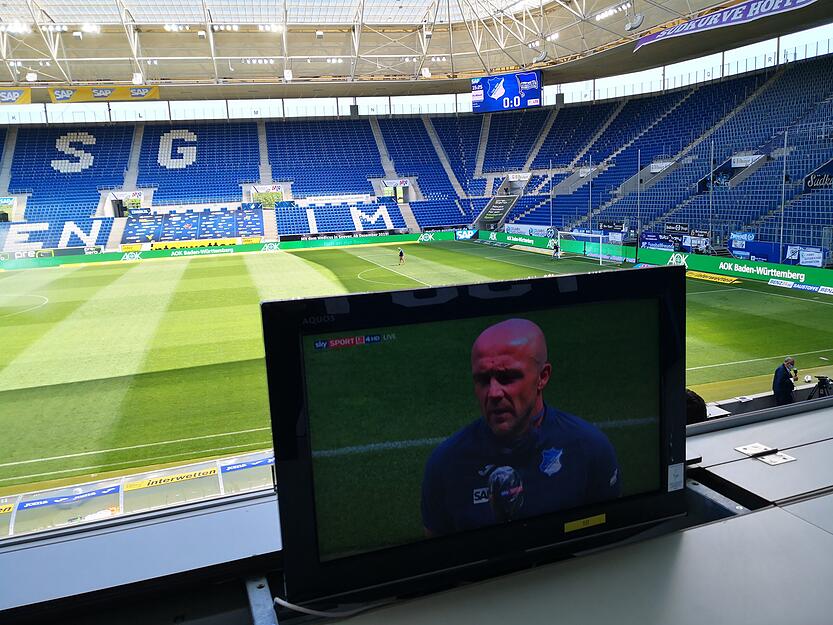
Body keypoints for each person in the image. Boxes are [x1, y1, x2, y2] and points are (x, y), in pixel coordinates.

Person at [421, 319, 620, 537]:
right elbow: (439, 556)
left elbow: (607, 544)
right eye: (483, 380)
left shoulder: (590, 450)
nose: (494, 393)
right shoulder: (445, 464)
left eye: (507, 378)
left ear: (542, 377)